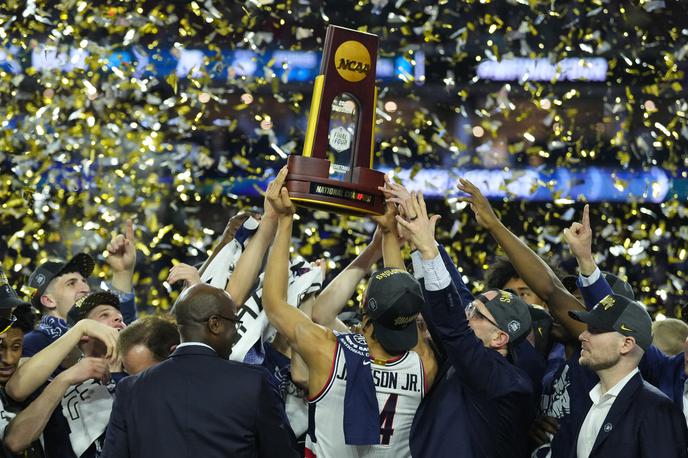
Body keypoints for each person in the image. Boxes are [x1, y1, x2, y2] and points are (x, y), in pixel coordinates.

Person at [262, 167, 437, 457]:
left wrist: (284, 221)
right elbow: (400, 294)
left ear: (365, 319)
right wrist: (388, 235)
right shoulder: (425, 363)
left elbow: (274, 303)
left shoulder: (328, 352)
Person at [102, 283, 297, 458]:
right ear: (215, 324)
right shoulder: (253, 382)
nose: (235, 332)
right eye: (234, 323)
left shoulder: (130, 389)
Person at [567, 293, 688, 457]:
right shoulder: (592, 401)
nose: (582, 336)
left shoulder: (656, 410)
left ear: (626, 344)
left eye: (595, 330)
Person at [5, 290, 123, 458]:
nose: (119, 318)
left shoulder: (142, 376)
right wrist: (65, 378)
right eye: (104, 315)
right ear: (84, 335)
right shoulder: (59, 387)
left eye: (120, 317)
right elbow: (14, 441)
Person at [23, 220, 137, 361]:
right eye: (71, 284)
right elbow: (17, 384)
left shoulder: (100, 332)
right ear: (48, 300)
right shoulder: (31, 344)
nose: (85, 288)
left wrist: (123, 272)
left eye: (84, 281)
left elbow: (126, 321)